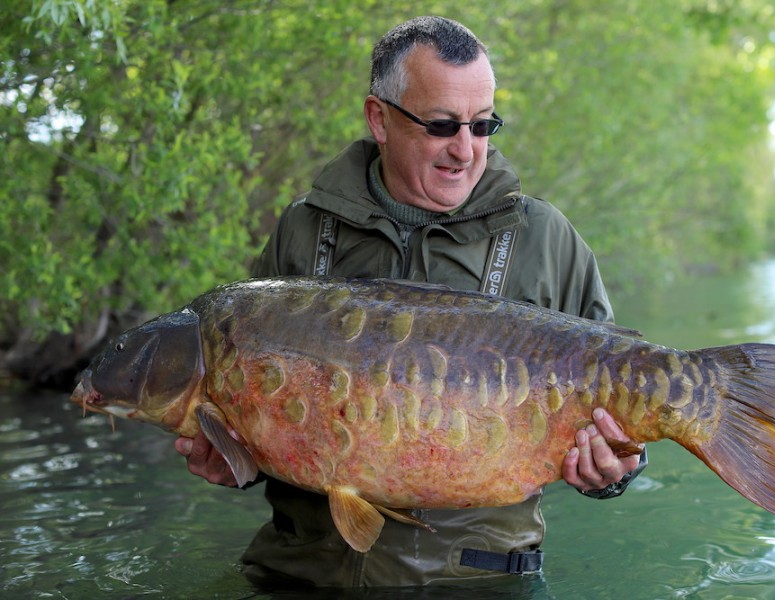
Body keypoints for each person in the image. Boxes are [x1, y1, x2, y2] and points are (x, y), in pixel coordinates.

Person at [174, 16, 647, 590]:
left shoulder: (546, 240)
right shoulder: (303, 232)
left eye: (482, 125)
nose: (465, 149)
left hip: (477, 584)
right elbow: (262, 420)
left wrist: (616, 469)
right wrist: (231, 460)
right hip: (298, 575)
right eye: (443, 124)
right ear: (380, 118)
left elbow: (627, 401)